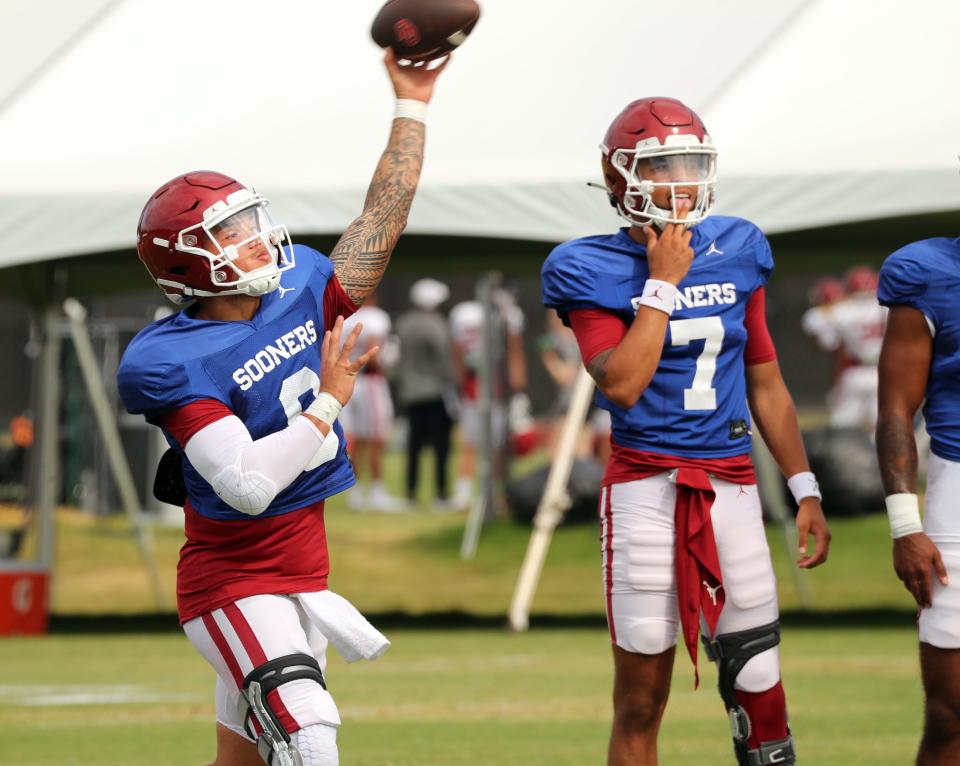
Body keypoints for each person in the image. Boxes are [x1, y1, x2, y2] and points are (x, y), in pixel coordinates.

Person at [116, 50, 449, 766]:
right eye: (232, 230)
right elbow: (246, 485)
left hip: (301, 578)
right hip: (233, 586)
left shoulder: (301, 285)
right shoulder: (173, 357)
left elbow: (383, 215)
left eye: (252, 218)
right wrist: (329, 399)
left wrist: (411, 103)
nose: (259, 234)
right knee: (307, 733)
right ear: (188, 261)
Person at [541, 97, 830, 766]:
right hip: (646, 488)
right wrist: (663, 282)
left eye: (692, 164)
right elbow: (621, 383)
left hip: (732, 486)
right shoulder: (587, 266)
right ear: (620, 180)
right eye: (661, 165)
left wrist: (803, 484)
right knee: (641, 702)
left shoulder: (740, 245)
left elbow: (766, 379)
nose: (682, 181)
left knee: (760, 682)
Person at [876, 235, 960, 764]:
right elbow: (896, 409)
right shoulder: (927, 270)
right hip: (956, 490)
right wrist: (906, 524)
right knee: (950, 713)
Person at [340, 295, 406, 513]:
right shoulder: (375, 317)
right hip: (370, 381)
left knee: (356, 437)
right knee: (377, 437)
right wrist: (385, 369)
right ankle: (377, 491)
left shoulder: (345, 317)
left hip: (348, 379)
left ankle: (356, 491)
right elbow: (372, 350)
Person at [394, 278, 456, 507]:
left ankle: (410, 494)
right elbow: (444, 359)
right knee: (441, 447)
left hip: (410, 393)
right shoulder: (436, 323)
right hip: (435, 392)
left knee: (414, 446)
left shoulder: (404, 322)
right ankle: (441, 494)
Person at [828, 266, 886, 430]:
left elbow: (831, 345)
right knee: (884, 426)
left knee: (842, 426)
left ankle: (838, 454)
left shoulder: (840, 310)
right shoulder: (887, 307)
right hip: (882, 371)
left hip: (853, 370)